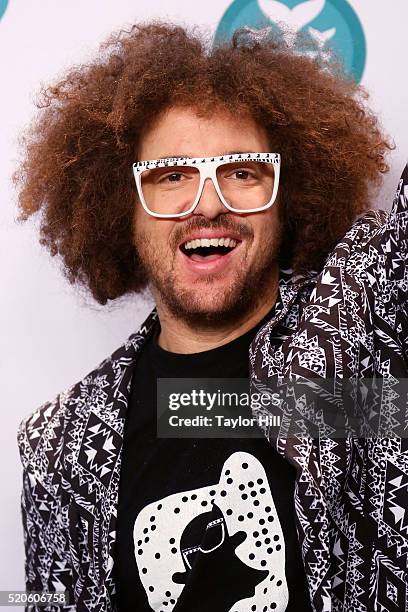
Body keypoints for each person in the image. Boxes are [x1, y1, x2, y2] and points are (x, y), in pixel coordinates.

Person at [15, 22, 408, 612]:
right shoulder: (60, 448)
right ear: (121, 210)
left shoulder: (364, 323)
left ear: (288, 197)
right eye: (171, 176)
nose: (209, 204)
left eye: (242, 172)